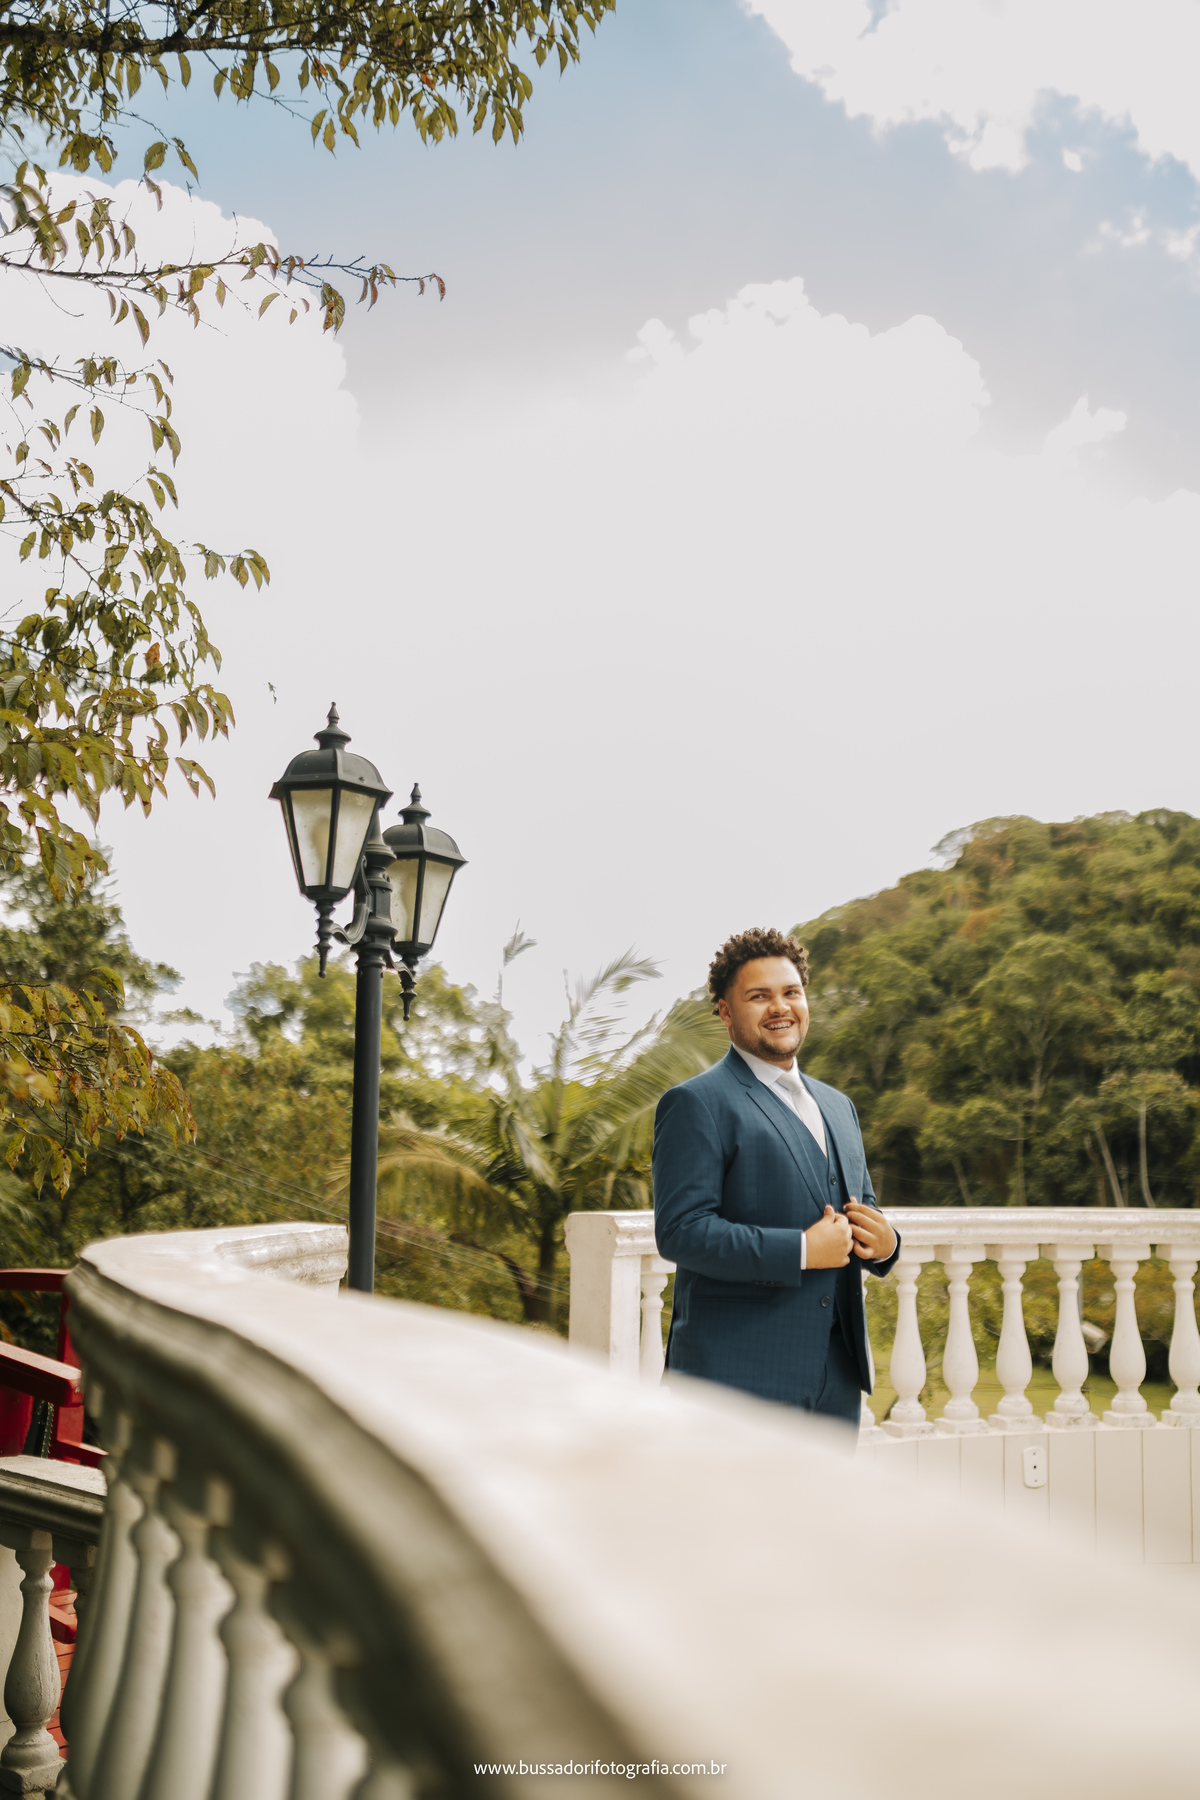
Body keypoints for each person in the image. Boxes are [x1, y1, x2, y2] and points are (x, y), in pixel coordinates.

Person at [652, 926, 900, 1423]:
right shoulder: (695, 1103)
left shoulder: (839, 1106)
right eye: (759, 996)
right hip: (735, 1383)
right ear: (726, 1012)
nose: (780, 1007)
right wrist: (802, 1251)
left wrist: (886, 1243)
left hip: (837, 1380)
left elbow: (863, 1204)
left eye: (791, 992)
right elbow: (681, 1232)